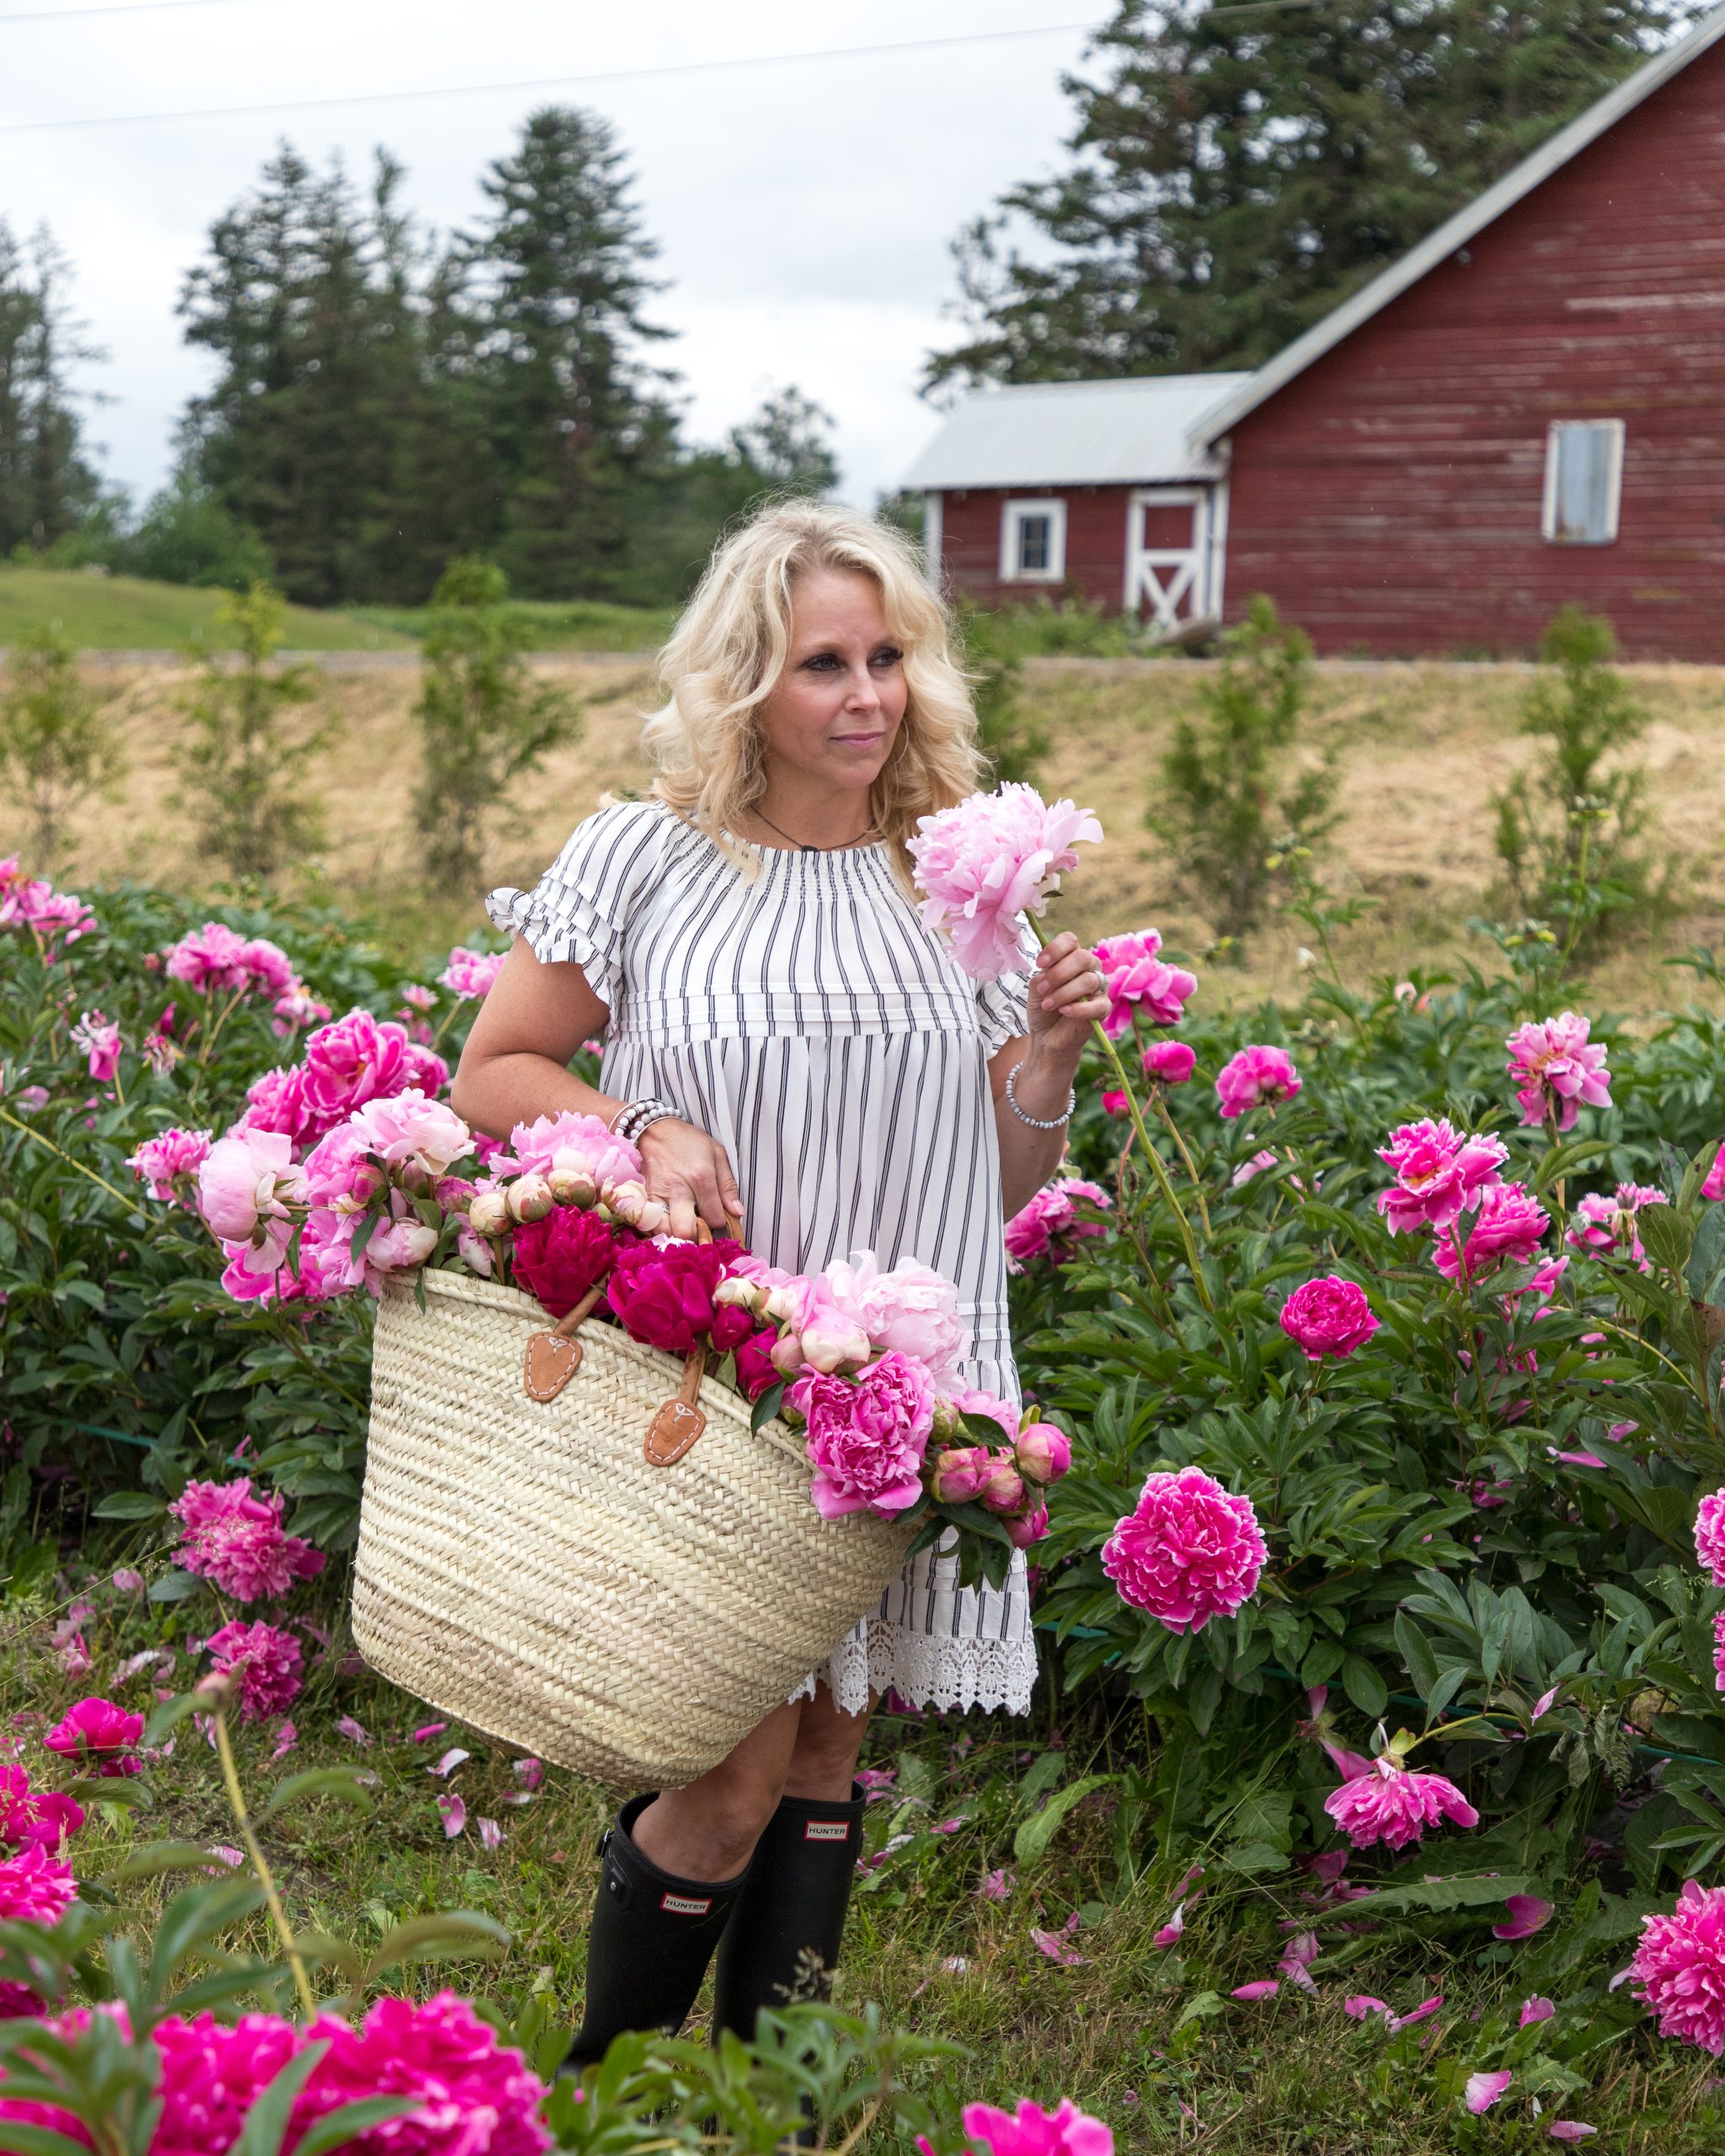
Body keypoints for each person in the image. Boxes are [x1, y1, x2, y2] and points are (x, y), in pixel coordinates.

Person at [451, 499, 1106, 2070]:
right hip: (721, 1372)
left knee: (824, 1758)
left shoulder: (958, 880)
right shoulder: (650, 855)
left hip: (902, 1389)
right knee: (731, 1769)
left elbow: (990, 1191)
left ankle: (772, 2111)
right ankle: (597, 2099)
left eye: (890, 657)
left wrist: (1052, 1065)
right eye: (826, 662)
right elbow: (496, 1067)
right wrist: (644, 1123)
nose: (868, 695)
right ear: (749, 679)